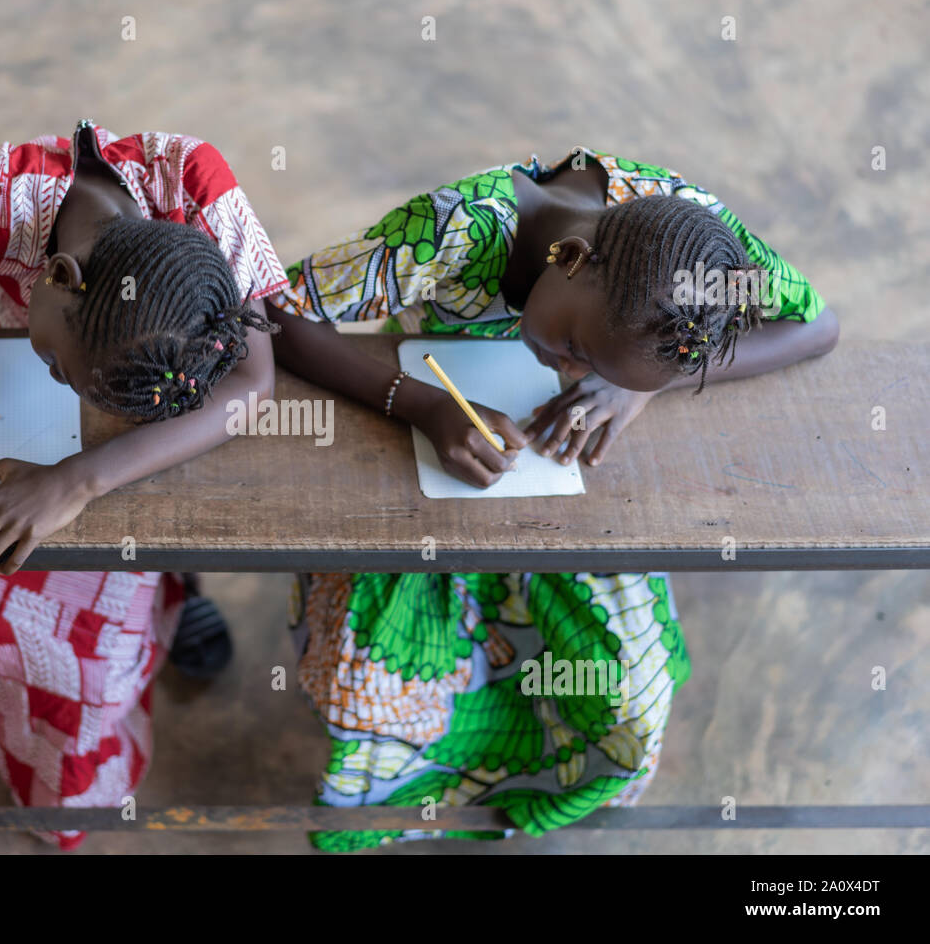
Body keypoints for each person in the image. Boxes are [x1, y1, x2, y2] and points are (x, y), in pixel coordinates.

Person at [268, 146, 839, 850]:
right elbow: (273, 312)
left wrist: (634, 388)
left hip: (560, 502)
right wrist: (418, 404)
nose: (567, 373)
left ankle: (519, 796)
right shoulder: (456, 230)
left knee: (631, 688)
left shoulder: (701, 259)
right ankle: (419, 804)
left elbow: (816, 326)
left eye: (590, 366)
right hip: (427, 470)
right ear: (569, 256)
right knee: (367, 685)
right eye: (572, 344)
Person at [0, 119, 289, 848]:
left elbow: (252, 383)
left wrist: (78, 480)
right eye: (63, 374)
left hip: (142, 418)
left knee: (126, 581)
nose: (73, 400)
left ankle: (180, 585)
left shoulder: (205, 194)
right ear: (58, 277)